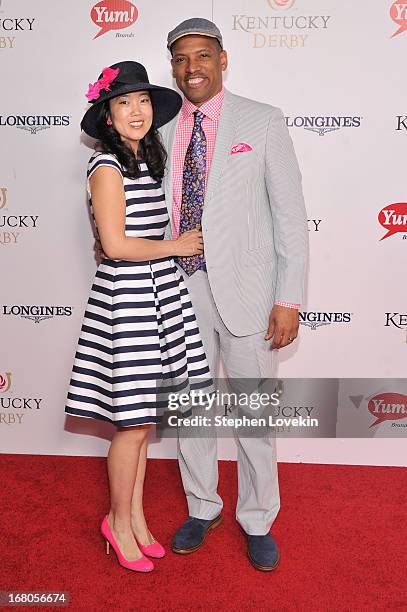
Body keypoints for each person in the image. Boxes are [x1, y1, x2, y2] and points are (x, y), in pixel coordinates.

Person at [160, 18, 308, 571]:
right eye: (180, 58)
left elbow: (290, 216)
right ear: (171, 66)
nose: (191, 67)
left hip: (249, 291)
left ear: (223, 60)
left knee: (253, 413)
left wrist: (288, 298)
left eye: (202, 56)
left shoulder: (262, 120)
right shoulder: (159, 124)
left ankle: (257, 518)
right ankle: (202, 506)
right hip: (179, 287)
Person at [65, 61, 212, 573]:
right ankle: (117, 522)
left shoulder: (144, 161)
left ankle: (137, 519)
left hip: (159, 294)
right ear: (107, 115)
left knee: (144, 423)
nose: (136, 111)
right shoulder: (106, 167)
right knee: (130, 426)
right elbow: (114, 244)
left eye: (143, 100)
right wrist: (176, 245)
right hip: (128, 300)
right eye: (123, 102)